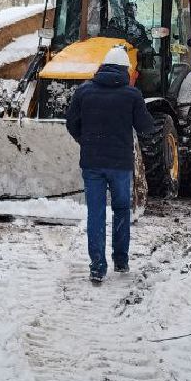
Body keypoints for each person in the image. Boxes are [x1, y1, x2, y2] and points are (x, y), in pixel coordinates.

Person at [64, 44, 157, 284]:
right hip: (120, 165)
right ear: (125, 70)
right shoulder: (131, 95)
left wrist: (85, 140)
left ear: (102, 67)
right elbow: (146, 127)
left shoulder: (84, 91)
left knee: (95, 213)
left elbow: (71, 123)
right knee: (121, 209)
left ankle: (97, 267)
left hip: (92, 163)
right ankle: (121, 259)